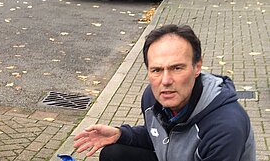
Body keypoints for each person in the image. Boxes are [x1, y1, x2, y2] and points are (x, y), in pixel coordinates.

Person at [73, 24, 256, 161]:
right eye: (157, 70)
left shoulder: (225, 127)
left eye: (177, 68)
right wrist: (122, 134)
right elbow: (162, 137)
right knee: (114, 153)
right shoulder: (151, 97)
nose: (166, 81)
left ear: (197, 67)